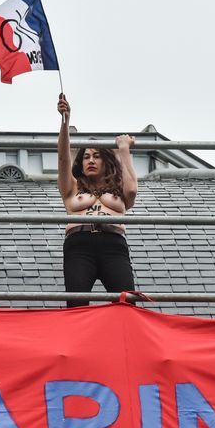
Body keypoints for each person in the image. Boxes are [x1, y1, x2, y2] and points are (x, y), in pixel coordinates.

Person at [56, 93, 138, 307]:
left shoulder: (118, 188)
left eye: (96, 155)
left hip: (113, 243)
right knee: (76, 305)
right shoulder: (72, 188)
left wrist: (124, 149)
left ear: (106, 160)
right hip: (79, 244)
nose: (90, 160)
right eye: (86, 156)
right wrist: (66, 121)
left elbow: (132, 190)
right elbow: (63, 158)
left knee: (127, 303)